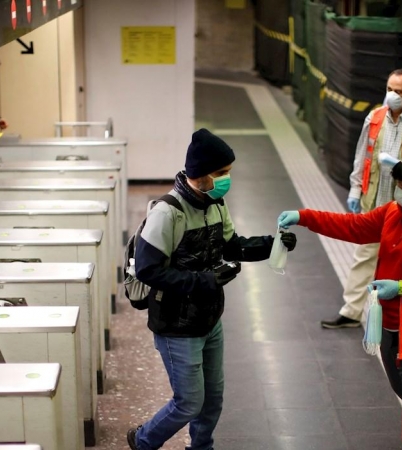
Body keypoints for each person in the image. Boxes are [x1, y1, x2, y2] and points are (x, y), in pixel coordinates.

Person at [278, 150, 402, 450]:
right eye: (398, 183)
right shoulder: (394, 213)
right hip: (398, 333)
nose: (400, 191)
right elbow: (354, 227)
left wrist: (401, 288)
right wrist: (305, 217)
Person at [127, 128, 298, 450]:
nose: (226, 179)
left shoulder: (216, 203)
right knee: (188, 403)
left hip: (209, 319)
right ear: (200, 174)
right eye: (221, 173)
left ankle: (201, 447)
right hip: (176, 325)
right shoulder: (167, 213)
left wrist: (272, 245)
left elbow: (231, 246)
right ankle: (143, 440)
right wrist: (203, 281)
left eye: (228, 172)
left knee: (212, 400)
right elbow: (149, 270)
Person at [322, 68, 402, 331]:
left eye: (399, 92)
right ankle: (352, 312)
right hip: (375, 202)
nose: (392, 95)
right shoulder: (374, 117)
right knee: (364, 255)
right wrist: (355, 189)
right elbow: (361, 156)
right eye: (389, 89)